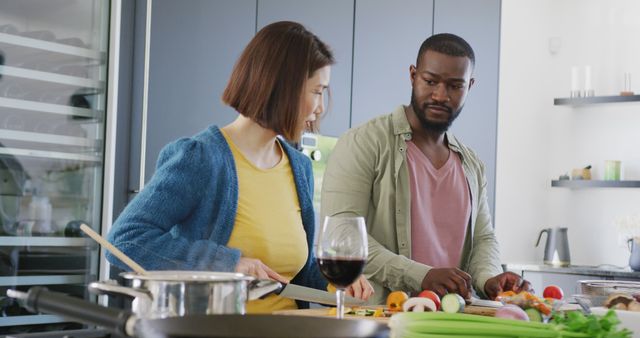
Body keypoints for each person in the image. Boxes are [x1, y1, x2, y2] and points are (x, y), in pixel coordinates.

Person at [107, 21, 373, 313]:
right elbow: (124, 240)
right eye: (317, 91)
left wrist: (337, 284)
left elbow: (295, 272)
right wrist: (229, 264)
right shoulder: (201, 157)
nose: (320, 108)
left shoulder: (299, 167)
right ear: (284, 88)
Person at [320, 33, 531, 305]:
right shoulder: (363, 143)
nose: (440, 95)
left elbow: (482, 238)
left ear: (470, 86)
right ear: (413, 75)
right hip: (382, 320)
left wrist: (490, 278)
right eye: (430, 81)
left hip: (452, 320)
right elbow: (340, 236)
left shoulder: (471, 163)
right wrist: (421, 275)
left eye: (455, 86)